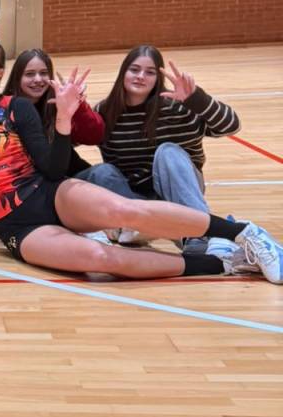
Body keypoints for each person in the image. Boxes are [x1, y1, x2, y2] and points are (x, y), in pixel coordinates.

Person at [0, 38, 283, 282]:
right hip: (18, 227)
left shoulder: (15, 108)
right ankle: (223, 263)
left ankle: (245, 233)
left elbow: (53, 169)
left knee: (127, 211)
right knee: (103, 261)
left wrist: (64, 120)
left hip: (51, 195)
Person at [92, 45, 247, 258]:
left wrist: (197, 99)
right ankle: (144, 225)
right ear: (123, 73)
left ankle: (198, 232)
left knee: (168, 152)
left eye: (150, 72)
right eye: (134, 70)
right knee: (101, 172)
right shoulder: (105, 111)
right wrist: (69, 111)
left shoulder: (177, 107)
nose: (140, 76)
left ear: (158, 79)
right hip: (136, 197)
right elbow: (71, 142)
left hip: (180, 187)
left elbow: (231, 127)